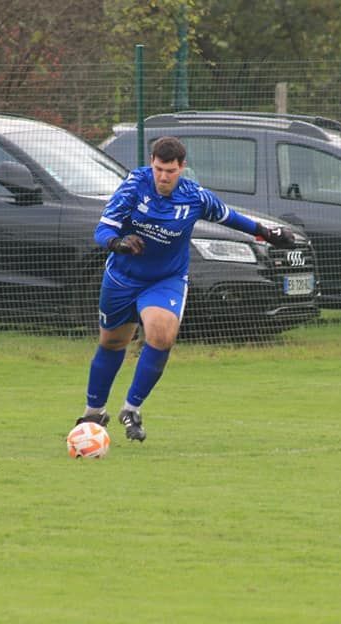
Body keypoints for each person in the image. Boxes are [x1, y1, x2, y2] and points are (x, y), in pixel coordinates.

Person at [77, 136, 296, 442]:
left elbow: (229, 217)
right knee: (113, 343)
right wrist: (118, 243)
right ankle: (93, 412)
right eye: (158, 169)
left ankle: (131, 408)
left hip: (165, 279)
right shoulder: (133, 186)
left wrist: (267, 234)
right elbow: (103, 230)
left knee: (162, 334)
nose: (163, 176)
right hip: (122, 278)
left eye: (170, 170)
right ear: (151, 163)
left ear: (182, 168)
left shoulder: (195, 197)